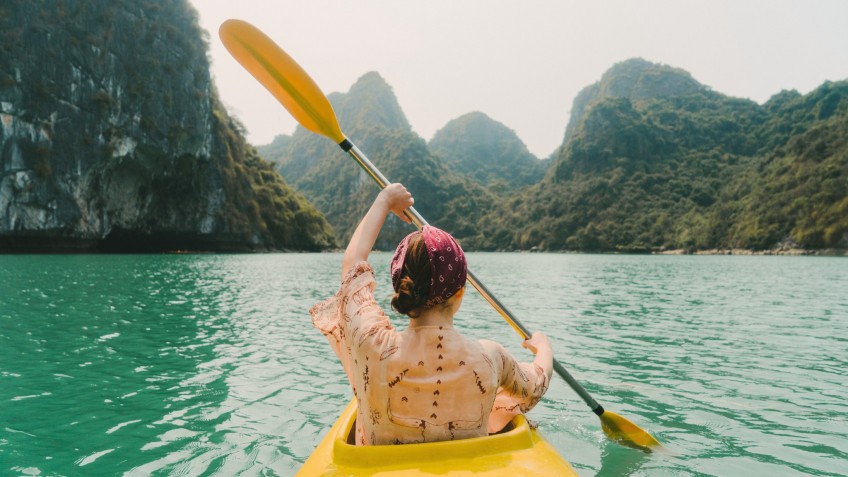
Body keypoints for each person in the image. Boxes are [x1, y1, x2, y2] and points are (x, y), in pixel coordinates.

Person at [310, 183, 553, 446]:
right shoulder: (491, 358)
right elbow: (536, 384)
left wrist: (385, 199)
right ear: (459, 292)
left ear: (401, 286)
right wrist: (543, 347)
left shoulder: (372, 343)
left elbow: (352, 267)